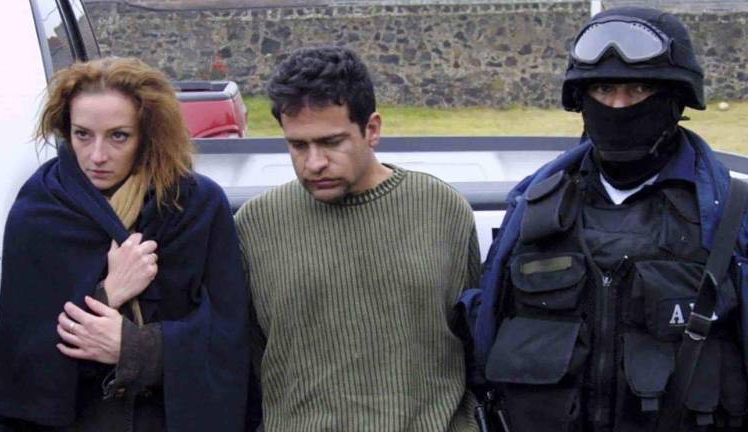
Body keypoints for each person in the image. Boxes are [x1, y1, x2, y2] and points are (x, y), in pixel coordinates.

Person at [465, 6, 748, 431]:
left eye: (639, 88)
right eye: (603, 88)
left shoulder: (730, 215)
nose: (618, 104)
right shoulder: (529, 208)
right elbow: (483, 349)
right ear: (581, 99)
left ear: (676, 100)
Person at [0, 57, 252, 431]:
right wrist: (109, 292)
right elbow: (25, 355)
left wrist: (135, 348)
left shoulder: (194, 206)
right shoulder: (41, 209)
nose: (97, 156)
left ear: (148, 134)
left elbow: (226, 337)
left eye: (118, 136)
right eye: (82, 135)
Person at [235, 46, 480, 431]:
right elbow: (243, 359)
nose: (314, 162)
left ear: (372, 129)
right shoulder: (255, 225)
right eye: (298, 145)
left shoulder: (443, 209)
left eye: (332, 142)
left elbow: (475, 342)